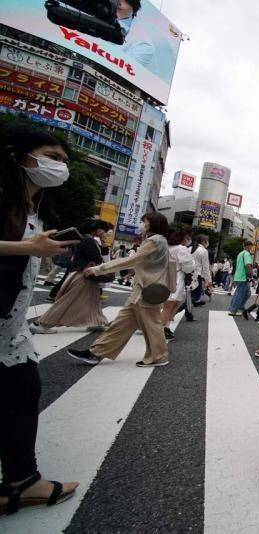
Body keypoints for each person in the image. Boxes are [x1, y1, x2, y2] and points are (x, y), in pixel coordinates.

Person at [0, 123, 79, 516]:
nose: (60, 167)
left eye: (64, 161)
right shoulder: (4, 195)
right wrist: (27, 247)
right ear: (20, 155)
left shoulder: (34, 206)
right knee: (20, 392)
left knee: (22, 392)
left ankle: (21, 481)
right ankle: (21, 481)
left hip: (9, 324)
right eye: (53, 158)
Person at [67, 212, 173, 368]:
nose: (141, 225)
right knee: (120, 324)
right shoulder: (161, 241)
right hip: (143, 290)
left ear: (153, 223)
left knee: (152, 325)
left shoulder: (154, 240)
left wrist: (99, 269)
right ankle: (96, 352)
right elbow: (145, 263)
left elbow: (130, 260)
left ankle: (159, 356)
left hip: (147, 291)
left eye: (144, 222)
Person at [32, 219, 113, 334]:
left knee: (93, 301)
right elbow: (98, 258)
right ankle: (42, 324)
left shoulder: (85, 239)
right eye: (104, 231)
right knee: (68, 301)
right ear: (97, 230)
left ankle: (96, 322)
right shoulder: (88, 240)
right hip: (84, 276)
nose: (105, 234)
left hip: (83, 274)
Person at [161, 230, 194, 339]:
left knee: (171, 304)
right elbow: (189, 266)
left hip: (165, 276)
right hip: (177, 277)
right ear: (182, 238)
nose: (188, 240)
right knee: (171, 305)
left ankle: (164, 327)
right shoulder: (181, 249)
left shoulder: (168, 247)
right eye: (187, 238)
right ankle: (162, 329)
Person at [228, 241, 254, 316]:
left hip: (238, 276)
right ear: (248, 246)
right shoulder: (246, 254)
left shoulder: (240, 253)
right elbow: (248, 265)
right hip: (243, 276)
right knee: (240, 294)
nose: (251, 248)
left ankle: (238, 307)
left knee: (246, 293)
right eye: (251, 246)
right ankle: (233, 310)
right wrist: (251, 273)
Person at [190, 235, 212, 306]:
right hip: (197, 275)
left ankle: (189, 315)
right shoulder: (203, 251)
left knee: (191, 295)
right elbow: (205, 267)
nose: (208, 242)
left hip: (189, 274)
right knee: (195, 297)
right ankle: (178, 310)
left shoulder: (191, 248)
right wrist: (208, 280)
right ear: (203, 241)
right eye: (207, 241)